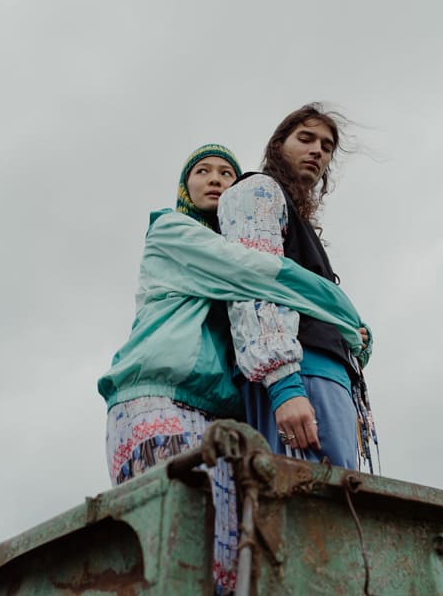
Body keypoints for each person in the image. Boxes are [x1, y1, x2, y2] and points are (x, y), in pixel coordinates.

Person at [98, 142, 371, 593]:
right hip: (156, 399)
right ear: (184, 187)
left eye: (227, 173)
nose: (216, 179)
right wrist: (343, 312)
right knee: (187, 557)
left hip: (213, 418)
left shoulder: (226, 256)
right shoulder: (171, 233)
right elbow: (256, 270)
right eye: (202, 171)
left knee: (228, 568)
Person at [218, 103, 376, 471]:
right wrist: (284, 387)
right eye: (306, 139)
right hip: (299, 376)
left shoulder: (295, 217)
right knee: (302, 495)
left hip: (327, 375)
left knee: (336, 495)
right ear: (278, 145)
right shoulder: (257, 191)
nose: (317, 150)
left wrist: (350, 329)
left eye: (326, 146)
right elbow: (254, 284)